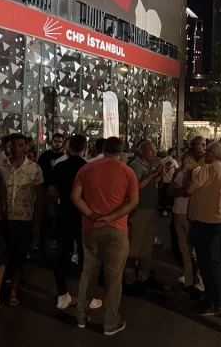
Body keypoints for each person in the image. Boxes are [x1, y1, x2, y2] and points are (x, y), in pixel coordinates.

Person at [71, 137, 139, 336]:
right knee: (113, 278)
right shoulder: (128, 172)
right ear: (121, 151)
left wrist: (92, 215)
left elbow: (75, 196)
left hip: (90, 227)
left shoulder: (86, 169)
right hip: (117, 229)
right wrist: (110, 217)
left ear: (102, 149)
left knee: (88, 272)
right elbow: (133, 202)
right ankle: (110, 323)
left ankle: (81, 316)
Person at [0, 134, 44, 311]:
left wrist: (36, 220)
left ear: (27, 147)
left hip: (24, 219)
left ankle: (14, 291)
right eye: (14, 145)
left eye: (20, 145)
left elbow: (39, 197)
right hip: (1, 218)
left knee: (18, 258)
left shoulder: (34, 169)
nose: (17, 148)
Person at [185, 142, 221, 315]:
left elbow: (189, 189)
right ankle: (217, 298)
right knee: (214, 262)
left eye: (206, 151)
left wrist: (190, 170)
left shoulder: (207, 169)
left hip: (206, 221)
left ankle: (214, 300)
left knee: (207, 263)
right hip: (218, 219)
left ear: (210, 153)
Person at [50, 135, 92, 309]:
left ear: (68, 148)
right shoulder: (88, 168)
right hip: (83, 215)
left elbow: (51, 191)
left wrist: (65, 195)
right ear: (85, 148)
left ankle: (63, 294)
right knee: (85, 255)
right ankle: (86, 296)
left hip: (64, 212)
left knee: (61, 254)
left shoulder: (60, 166)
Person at [125, 140, 165, 287]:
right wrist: (154, 173)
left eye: (154, 150)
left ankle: (143, 274)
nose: (154, 153)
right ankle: (129, 275)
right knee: (135, 242)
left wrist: (159, 176)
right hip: (140, 210)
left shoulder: (147, 165)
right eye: (150, 150)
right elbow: (137, 186)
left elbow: (150, 184)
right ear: (141, 151)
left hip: (150, 208)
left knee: (147, 242)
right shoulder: (135, 165)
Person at [168, 150, 204, 297]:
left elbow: (189, 190)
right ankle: (188, 280)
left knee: (193, 251)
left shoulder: (198, 172)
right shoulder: (180, 172)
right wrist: (179, 190)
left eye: (186, 159)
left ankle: (199, 283)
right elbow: (171, 190)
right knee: (184, 249)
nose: (183, 161)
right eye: (182, 159)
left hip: (190, 214)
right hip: (178, 212)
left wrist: (181, 189)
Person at [159, 147, 179, 216]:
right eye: (175, 152)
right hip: (170, 181)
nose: (176, 153)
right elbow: (177, 170)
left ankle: (164, 210)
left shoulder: (162, 160)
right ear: (173, 152)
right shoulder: (173, 161)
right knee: (171, 197)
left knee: (163, 197)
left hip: (163, 181)